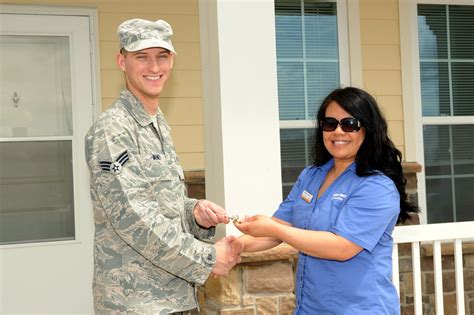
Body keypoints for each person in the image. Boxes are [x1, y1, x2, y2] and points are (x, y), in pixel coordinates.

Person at [85, 18, 239, 314]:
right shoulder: (114, 130)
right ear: (122, 61)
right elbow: (134, 218)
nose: (154, 68)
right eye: (141, 57)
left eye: (162, 56)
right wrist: (207, 257)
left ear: (172, 61)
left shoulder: (156, 122)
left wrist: (194, 213)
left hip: (173, 297)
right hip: (136, 302)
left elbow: (160, 204)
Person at [233, 87, 419, 314]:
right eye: (330, 123)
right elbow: (279, 227)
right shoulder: (311, 175)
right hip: (309, 308)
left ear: (368, 129)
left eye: (349, 124)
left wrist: (275, 229)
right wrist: (238, 245)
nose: (338, 131)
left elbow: (342, 247)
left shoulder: (376, 187)